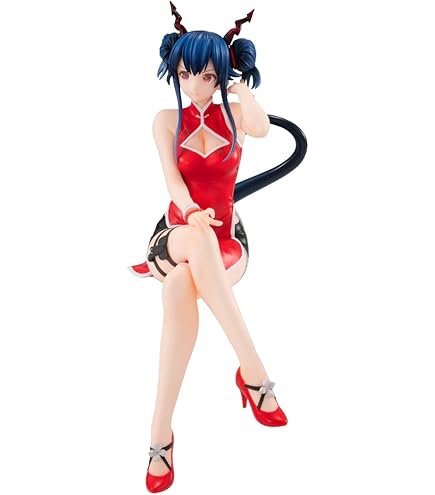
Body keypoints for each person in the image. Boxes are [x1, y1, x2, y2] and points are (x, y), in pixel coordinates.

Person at [130, 4, 288, 492]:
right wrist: (190, 210)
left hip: (226, 245)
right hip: (175, 234)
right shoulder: (164, 119)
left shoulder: (235, 115)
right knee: (192, 240)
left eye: (206, 76)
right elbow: (173, 181)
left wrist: (244, 93)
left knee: (181, 286)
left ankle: (159, 434)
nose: (194, 85)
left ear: (221, 74)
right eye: (184, 74)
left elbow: (262, 128)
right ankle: (253, 370)